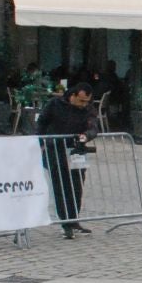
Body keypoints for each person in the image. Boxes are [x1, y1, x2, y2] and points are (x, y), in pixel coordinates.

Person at [37, 82, 98, 239]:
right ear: (73, 96)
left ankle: (74, 220)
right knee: (60, 188)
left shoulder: (88, 108)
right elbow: (42, 123)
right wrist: (40, 143)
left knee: (76, 186)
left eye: (87, 101)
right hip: (55, 151)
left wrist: (87, 135)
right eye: (81, 101)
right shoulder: (55, 104)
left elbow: (93, 125)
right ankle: (66, 223)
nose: (84, 105)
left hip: (76, 152)